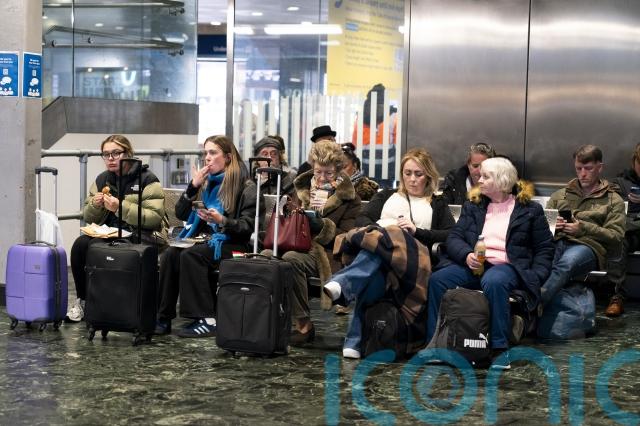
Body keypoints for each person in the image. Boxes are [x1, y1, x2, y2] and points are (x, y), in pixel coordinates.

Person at [322, 148, 455, 359]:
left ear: (428, 176)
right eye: (407, 173)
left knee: (390, 239)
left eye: (418, 174)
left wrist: (416, 231)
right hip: (384, 258)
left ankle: (346, 299)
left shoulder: (437, 202)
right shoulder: (386, 195)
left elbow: (449, 234)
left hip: (415, 262)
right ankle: (355, 341)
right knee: (377, 261)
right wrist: (384, 231)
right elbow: (362, 219)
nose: (412, 179)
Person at [426, 157, 555, 368]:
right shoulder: (473, 206)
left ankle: (499, 349)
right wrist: (466, 255)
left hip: (508, 266)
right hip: (475, 264)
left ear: (502, 180)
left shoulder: (529, 210)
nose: (479, 180)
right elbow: (454, 237)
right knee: (438, 280)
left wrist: (536, 276)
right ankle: (435, 344)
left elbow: (545, 248)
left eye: (486, 177)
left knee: (494, 281)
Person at [155, 135, 260, 337]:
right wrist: (193, 187)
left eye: (213, 153)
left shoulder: (246, 187)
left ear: (228, 157)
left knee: (191, 255)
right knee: (171, 254)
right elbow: (181, 214)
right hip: (207, 241)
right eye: (205, 153)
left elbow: (247, 227)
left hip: (234, 244)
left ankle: (206, 318)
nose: (207, 158)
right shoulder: (206, 184)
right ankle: (163, 317)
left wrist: (222, 220)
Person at [262, 140, 361, 345]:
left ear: (339, 170)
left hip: (325, 253)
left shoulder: (350, 198)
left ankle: (303, 325)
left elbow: (347, 236)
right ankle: (267, 321)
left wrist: (322, 225)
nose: (322, 178)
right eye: (318, 172)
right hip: (294, 243)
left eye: (329, 173)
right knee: (265, 257)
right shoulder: (302, 188)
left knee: (291, 260)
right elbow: (287, 218)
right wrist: (292, 211)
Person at [66, 135, 167, 322]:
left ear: (128, 154)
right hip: (109, 232)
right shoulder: (102, 179)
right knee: (80, 245)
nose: (110, 159)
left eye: (116, 153)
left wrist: (119, 207)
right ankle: (84, 300)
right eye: (106, 154)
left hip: (138, 233)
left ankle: (108, 304)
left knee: (96, 246)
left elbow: (154, 217)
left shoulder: (147, 179)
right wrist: (95, 205)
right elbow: (88, 216)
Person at [542, 145, 626, 307]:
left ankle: (531, 305)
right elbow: (541, 228)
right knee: (542, 262)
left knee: (566, 264)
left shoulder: (613, 199)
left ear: (600, 167)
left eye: (588, 168)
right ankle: (537, 304)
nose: (583, 174)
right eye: (578, 168)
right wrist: (553, 225)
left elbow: (616, 236)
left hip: (589, 247)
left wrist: (583, 229)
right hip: (558, 241)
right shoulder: (560, 195)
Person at [607, 143, 640, 316]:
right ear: (634, 162)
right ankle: (617, 296)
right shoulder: (620, 182)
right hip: (630, 232)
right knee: (618, 238)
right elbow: (612, 209)